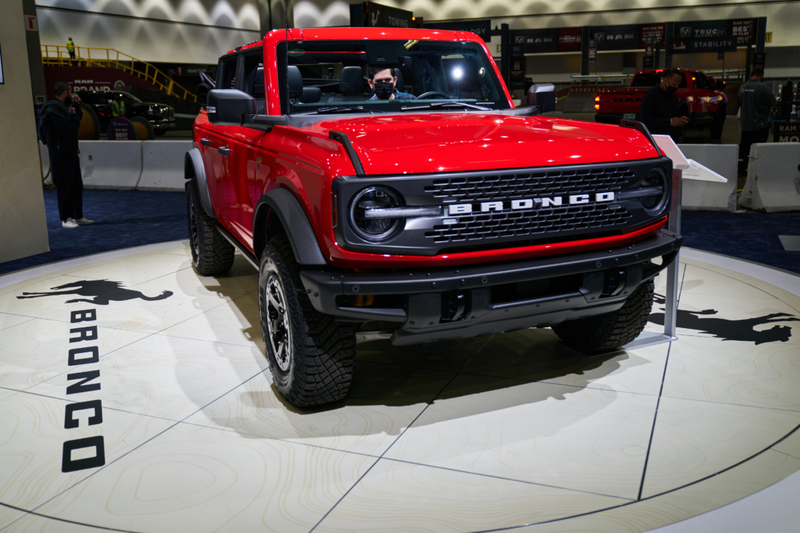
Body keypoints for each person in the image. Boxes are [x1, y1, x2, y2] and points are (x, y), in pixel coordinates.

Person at [38, 81, 94, 229]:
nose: (73, 94)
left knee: (76, 186)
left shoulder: (64, 107)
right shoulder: (53, 109)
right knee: (64, 188)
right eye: (70, 92)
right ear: (64, 92)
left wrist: (76, 107)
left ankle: (78, 216)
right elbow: (69, 129)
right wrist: (74, 117)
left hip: (71, 152)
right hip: (60, 154)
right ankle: (66, 218)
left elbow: (75, 120)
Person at [738, 67, 777, 174]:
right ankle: (756, 170)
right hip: (760, 125)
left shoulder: (742, 87)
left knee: (745, 148)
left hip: (745, 125)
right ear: (761, 75)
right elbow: (773, 102)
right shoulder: (762, 87)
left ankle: (741, 169)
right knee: (758, 149)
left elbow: (739, 103)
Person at [639, 68, 688, 142]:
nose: (676, 87)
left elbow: (672, 114)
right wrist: (670, 122)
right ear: (665, 80)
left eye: (678, 85)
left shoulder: (673, 97)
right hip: (657, 141)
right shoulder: (650, 97)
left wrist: (680, 119)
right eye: (674, 84)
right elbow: (646, 121)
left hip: (672, 141)